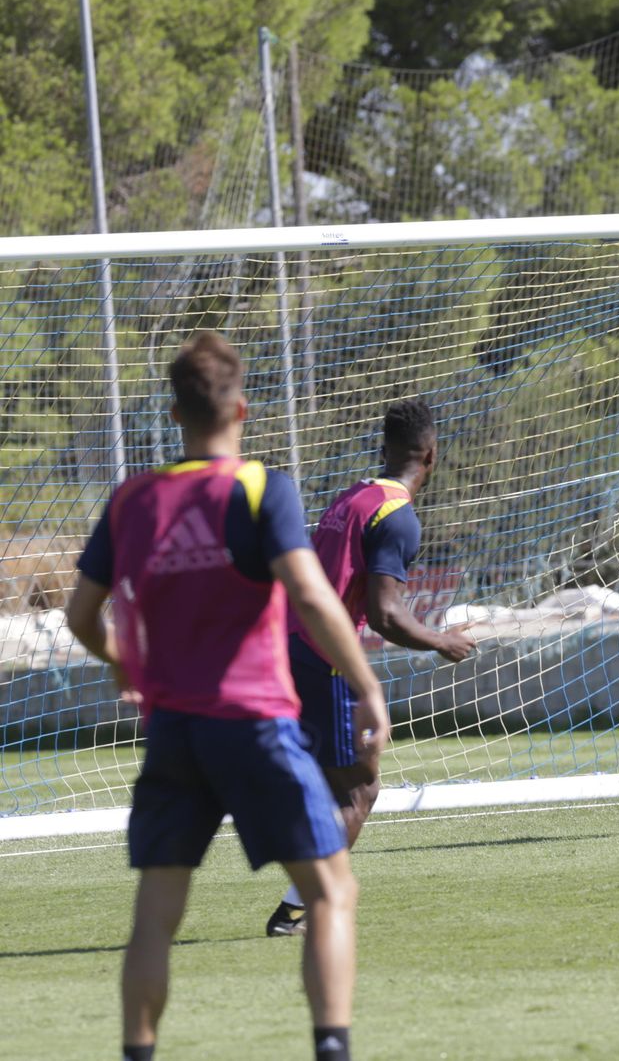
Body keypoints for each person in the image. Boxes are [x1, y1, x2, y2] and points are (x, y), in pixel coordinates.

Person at [64, 331, 388, 1061]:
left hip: (173, 731)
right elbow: (311, 596)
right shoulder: (261, 488)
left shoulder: (133, 499)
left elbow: (81, 615)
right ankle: (332, 1048)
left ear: (174, 414)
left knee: (156, 916)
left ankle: (137, 1052)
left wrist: (121, 661)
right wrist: (366, 685)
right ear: (241, 409)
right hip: (254, 725)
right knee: (331, 892)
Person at [266, 398, 475, 937]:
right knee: (360, 791)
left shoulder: (354, 496)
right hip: (325, 656)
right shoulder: (399, 517)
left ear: (384, 449)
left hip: (288, 643)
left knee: (326, 783)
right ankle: (296, 912)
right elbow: (385, 614)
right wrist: (441, 640)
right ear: (431, 455)